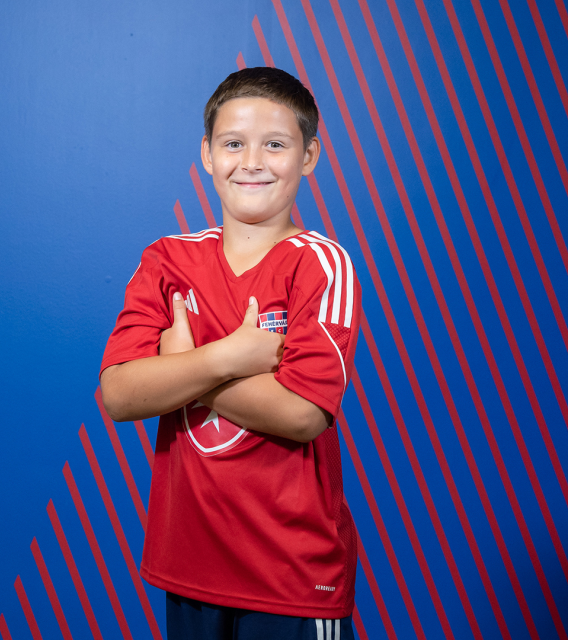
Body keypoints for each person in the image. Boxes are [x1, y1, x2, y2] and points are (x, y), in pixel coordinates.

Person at [100, 67, 361, 640]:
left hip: (291, 577)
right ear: (207, 154)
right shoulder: (167, 261)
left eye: (276, 145)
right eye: (234, 143)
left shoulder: (321, 265)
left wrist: (183, 364)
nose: (253, 162)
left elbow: (302, 414)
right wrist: (229, 357)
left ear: (309, 156)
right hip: (189, 566)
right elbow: (119, 395)